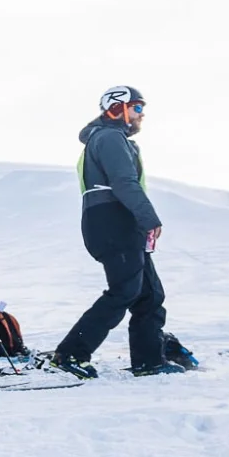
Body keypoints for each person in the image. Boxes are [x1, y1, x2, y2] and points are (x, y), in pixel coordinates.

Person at [51, 87, 196, 378]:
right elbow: (124, 182)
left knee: (149, 294)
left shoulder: (111, 139)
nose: (142, 114)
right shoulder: (109, 137)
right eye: (138, 107)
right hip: (112, 220)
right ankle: (70, 354)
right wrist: (149, 218)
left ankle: (149, 360)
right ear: (118, 108)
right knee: (124, 291)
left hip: (121, 221)